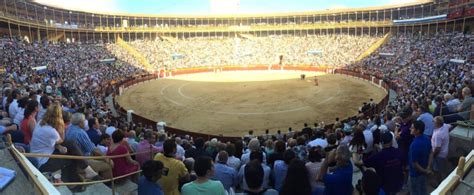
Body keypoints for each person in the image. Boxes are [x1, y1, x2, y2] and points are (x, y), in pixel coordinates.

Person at [408, 120, 433, 195]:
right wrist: (428, 168)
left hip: (415, 174)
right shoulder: (427, 138)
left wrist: (425, 170)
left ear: (417, 130)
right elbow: (431, 153)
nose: (410, 129)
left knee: (415, 191)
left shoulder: (414, 145)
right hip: (424, 171)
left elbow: (415, 164)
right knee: (423, 190)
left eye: (412, 128)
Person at [431, 116, 450, 185]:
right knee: (441, 167)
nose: (433, 123)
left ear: (438, 124)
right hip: (444, 151)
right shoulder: (444, 126)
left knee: (437, 169)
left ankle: (438, 183)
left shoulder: (438, 135)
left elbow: (437, 149)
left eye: (434, 122)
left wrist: (433, 155)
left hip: (439, 155)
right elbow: (450, 126)